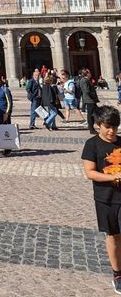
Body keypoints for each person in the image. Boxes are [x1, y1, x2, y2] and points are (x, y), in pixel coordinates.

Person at [81, 105, 121, 294]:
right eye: (108, 127)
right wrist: (114, 177)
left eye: (115, 126)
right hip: (105, 198)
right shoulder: (92, 145)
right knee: (113, 235)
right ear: (98, 125)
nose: (112, 131)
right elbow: (90, 173)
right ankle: (117, 274)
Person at [78, 68, 100, 135]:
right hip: (89, 100)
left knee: (96, 113)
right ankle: (91, 128)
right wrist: (93, 95)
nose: (90, 74)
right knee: (90, 115)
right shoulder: (85, 80)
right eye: (89, 73)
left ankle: (96, 126)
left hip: (90, 100)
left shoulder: (85, 80)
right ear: (86, 74)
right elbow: (87, 91)